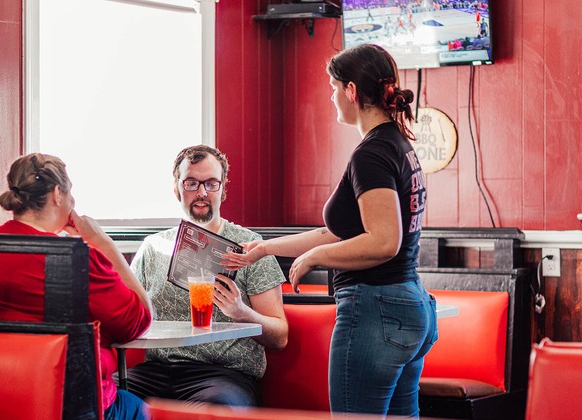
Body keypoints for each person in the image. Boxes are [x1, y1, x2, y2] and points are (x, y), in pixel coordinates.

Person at [222, 44, 438, 418]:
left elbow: (384, 242)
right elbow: (343, 232)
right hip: (409, 304)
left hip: (375, 309)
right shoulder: (396, 144)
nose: (331, 96)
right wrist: (264, 249)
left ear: (351, 90)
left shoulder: (371, 154)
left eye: (333, 86)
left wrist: (315, 258)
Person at [0, 153, 153, 420]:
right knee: (141, 408)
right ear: (58, 194)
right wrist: (103, 243)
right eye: (70, 192)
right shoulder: (77, 257)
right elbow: (137, 321)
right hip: (68, 403)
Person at [124, 144, 288, 407]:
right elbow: (127, 316)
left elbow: (280, 337)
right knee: (93, 397)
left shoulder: (251, 247)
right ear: (177, 188)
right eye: (191, 183)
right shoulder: (153, 247)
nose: (202, 193)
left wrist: (241, 313)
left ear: (223, 189)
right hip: (155, 371)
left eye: (211, 184)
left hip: (223, 375)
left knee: (217, 406)